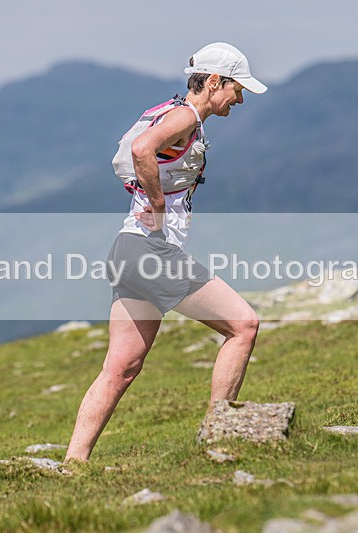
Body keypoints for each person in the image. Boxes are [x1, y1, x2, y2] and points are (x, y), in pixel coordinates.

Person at [65, 43, 267, 462]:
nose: (240, 98)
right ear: (214, 82)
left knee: (120, 369)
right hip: (151, 250)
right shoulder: (186, 116)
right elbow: (142, 150)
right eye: (237, 88)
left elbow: (135, 152)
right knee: (243, 325)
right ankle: (219, 438)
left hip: (127, 249)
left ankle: (74, 463)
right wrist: (157, 205)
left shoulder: (165, 109)